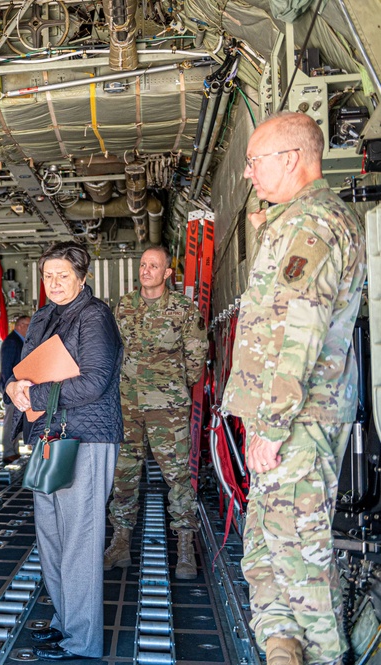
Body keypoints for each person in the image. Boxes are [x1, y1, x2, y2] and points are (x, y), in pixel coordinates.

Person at [224, 111, 366, 665]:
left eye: (255, 162)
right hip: (281, 425)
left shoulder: (315, 225)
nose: (249, 174)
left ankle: (324, 655)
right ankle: (283, 650)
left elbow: (299, 330)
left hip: (296, 426)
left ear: (291, 159)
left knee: (301, 565)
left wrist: (273, 424)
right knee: (264, 550)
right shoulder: (297, 220)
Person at [5, 241, 122, 661]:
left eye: (63, 276)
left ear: (82, 278)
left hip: (86, 439)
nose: (54, 284)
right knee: (51, 536)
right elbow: (24, 371)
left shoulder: (95, 317)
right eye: (48, 276)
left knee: (80, 540)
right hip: (48, 437)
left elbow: (96, 381)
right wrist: (14, 388)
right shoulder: (42, 317)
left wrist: (35, 393)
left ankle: (82, 641)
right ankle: (65, 621)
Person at [104, 245, 207, 579]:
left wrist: (175, 385)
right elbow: (113, 350)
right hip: (127, 403)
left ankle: (185, 549)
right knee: (123, 475)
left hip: (168, 408)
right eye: (143, 264)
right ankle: (120, 544)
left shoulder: (182, 308)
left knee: (177, 476)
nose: (146, 270)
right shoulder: (124, 306)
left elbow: (196, 353)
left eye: (154, 266)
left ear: (166, 273)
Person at [0, 315, 30, 463]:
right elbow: (6, 369)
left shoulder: (20, 342)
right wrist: (9, 390)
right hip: (12, 390)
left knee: (16, 421)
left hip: (19, 389)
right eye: (28, 324)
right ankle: (9, 451)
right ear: (20, 326)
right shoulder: (12, 342)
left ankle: (14, 450)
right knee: (11, 421)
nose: (30, 328)